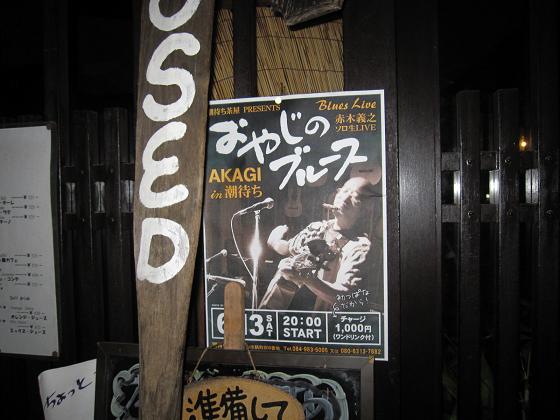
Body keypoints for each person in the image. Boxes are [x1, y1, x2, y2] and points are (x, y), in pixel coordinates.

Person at [259, 176, 378, 311]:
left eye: (354, 196)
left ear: (366, 209)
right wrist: (274, 242)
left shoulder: (361, 247)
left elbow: (347, 297)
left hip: (323, 321)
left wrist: (306, 278)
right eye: (344, 191)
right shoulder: (317, 228)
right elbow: (287, 248)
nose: (344, 198)